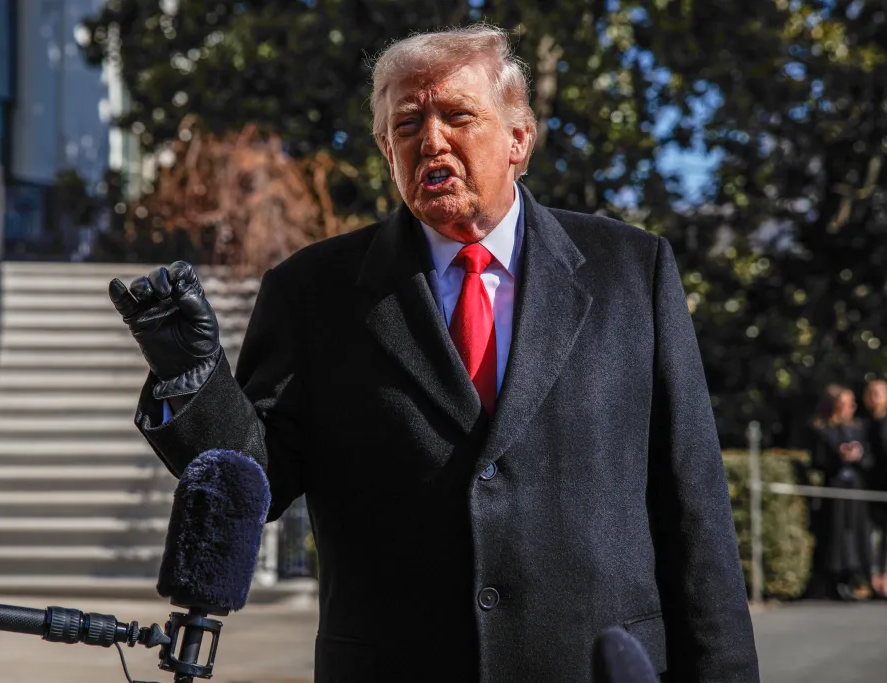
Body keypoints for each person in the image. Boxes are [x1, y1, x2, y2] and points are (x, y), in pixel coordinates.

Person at [110, 24, 758, 683]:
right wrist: (193, 378)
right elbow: (258, 483)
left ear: (518, 140)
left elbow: (694, 507)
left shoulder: (632, 271)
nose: (433, 140)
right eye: (409, 123)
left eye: (457, 115)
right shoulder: (312, 291)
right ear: (385, 149)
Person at [811, 383, 872, 601]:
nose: (849, 408)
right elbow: (817, 460)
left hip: (854, 488)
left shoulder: (858, 428)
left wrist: (859, 455)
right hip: (835, 488)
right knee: (836, 534)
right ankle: (833, 582)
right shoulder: (821, 429)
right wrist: (838, 456)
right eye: (844, 404)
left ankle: (852, 578)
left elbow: (869, 460)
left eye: (851, 404)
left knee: (855, 533)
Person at [862, 379, 887, 599]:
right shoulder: (861, 425)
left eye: (879, 393)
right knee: (872, 536)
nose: (875, 398)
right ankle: (873, 579)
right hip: (869, 488)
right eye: (871, 393)